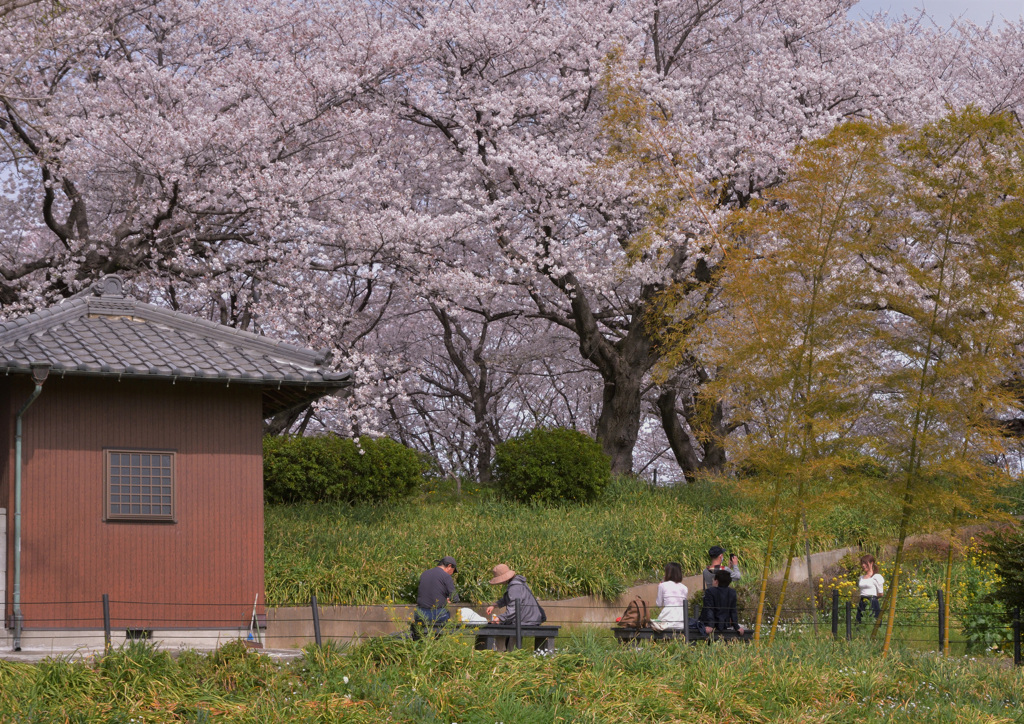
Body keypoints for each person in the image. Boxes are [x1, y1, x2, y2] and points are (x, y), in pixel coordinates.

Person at [414, 556, 459, 633]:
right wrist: (449, 599)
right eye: (453, 571)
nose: (452, 574)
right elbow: (455, 598)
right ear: (449, 566)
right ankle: (440, 641)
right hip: (437, 614)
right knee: (446, 617)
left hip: (420, 613)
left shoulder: (424, 574)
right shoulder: (446, 576)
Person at [695, 569, 745, 635]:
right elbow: (733, 611)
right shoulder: (732, 592)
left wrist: (710, 625)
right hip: (725, 624)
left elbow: (709, 608)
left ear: (716, 581)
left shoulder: (710, 591)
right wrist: (737, 626)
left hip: (711, 624)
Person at [651, 562, 689, 631]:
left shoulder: (662, 585)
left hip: (667, 620)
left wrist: (658, 588)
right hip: (682, 621)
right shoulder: (685, 588)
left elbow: (659, 604)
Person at [856, 554, 884, 623]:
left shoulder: (876, 577)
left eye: (865, 563)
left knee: (872, 622)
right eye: (862, 563)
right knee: (860, 623)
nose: (863, 565)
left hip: (872, 601)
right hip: (862, 601)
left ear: (871, 563)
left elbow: (881, 594)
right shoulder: (861, 578)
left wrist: (872, 599)